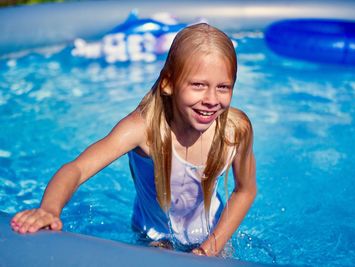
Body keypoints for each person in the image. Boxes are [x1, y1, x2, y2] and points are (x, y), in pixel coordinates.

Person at [10, 23, 256, 256]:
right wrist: (49, 210)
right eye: (198, 85)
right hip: (156, 237)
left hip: (213, 233)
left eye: (223, 87)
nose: (212, 99)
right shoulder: (144, 130)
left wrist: (210, 247)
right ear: (168, 83)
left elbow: (245, 191)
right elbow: (77, 168)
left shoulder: (235, 130)